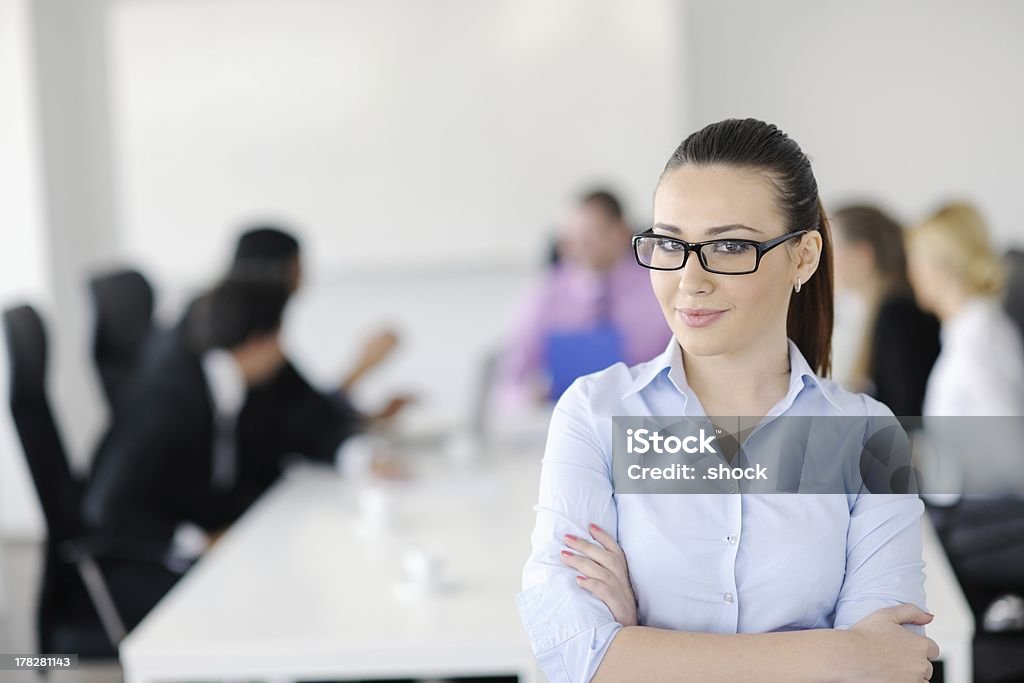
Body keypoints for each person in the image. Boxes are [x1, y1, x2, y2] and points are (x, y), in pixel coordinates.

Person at [517, 119, 939, 682]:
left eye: (731, 245)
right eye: (670, 243)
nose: (690, 279)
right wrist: (840, 651)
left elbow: (888, 670)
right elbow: (576, 657)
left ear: (804, 257)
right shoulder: (595, 413)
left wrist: (638, 644)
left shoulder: (870, 437)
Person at [495, 190, 671, 412]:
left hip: (649, 418)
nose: (577, 247)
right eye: (570, 239)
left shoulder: (659, 285)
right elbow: (510, 381)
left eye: (588, 236)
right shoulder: (545, 295)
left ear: (620, 233)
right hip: (564, 418)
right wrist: (528, 398)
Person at [906, 203, 1024, 417]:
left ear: (944, 266)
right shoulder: (964, 332)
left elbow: (1009, 442)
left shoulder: (981, 342)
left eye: (916, 261)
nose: (911, 273)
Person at [831, 204, 941, 416]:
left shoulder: (898, 316)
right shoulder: (877, 311)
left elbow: (905, 411)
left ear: (863, 255)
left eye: (832, 249)